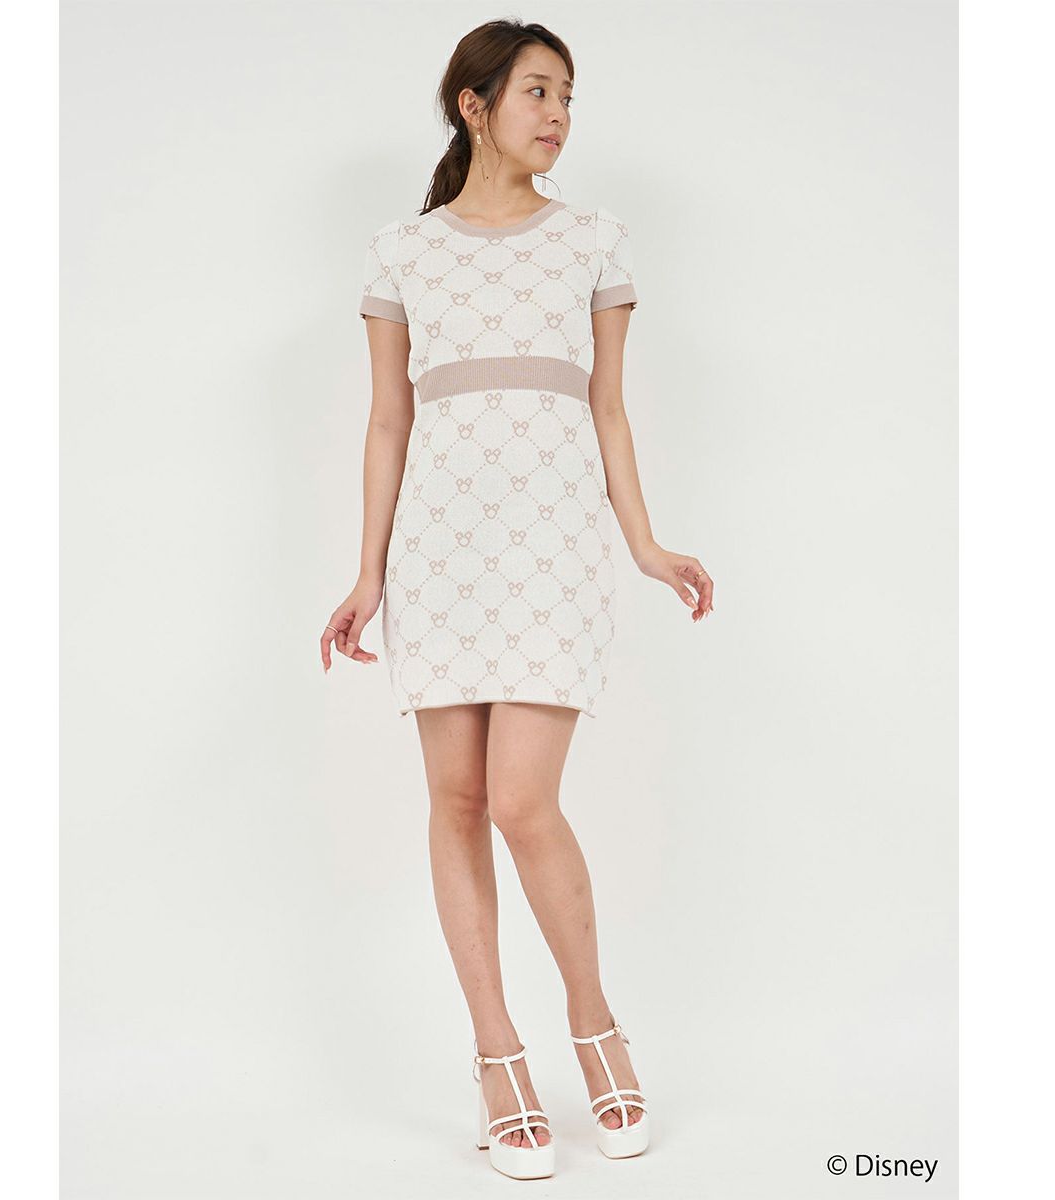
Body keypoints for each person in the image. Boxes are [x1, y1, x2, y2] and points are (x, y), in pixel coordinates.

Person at [322, 18, 713, 1181]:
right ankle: (499, 1059)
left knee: (521, 802)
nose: (559, 115)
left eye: (568, 97)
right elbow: (388, 422)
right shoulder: (402, 251)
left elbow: (610, 410)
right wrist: (369, 574)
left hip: (551, 549)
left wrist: (644, 544)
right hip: (439, 552)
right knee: (454, 800)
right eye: (539, 91)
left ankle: (597, 1027)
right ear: (473, 104)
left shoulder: (593, 240)